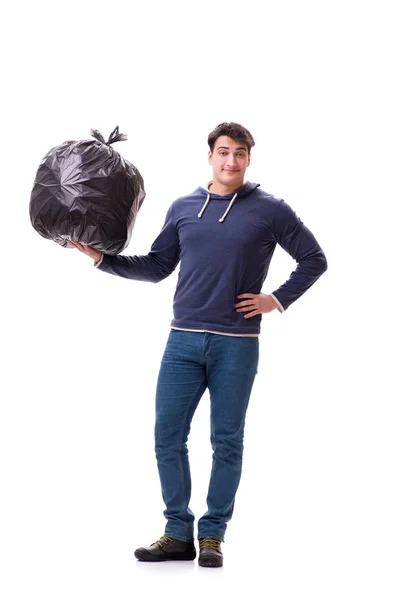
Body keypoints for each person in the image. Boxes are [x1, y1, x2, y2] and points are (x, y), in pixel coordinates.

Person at [68, 122, 328, 568]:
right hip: (182, 341)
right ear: (210, 156)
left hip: (237, 345)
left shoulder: (271, 210)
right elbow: (157, 266)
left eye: (240, 153)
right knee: (167, 437)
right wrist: (102, 260)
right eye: (224, 151)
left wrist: (276, 299)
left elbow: (314, 259)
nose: (231, 161)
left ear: (249, 159)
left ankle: (212, 535)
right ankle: (176, 533)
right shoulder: (185, 207)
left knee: (226, 441)